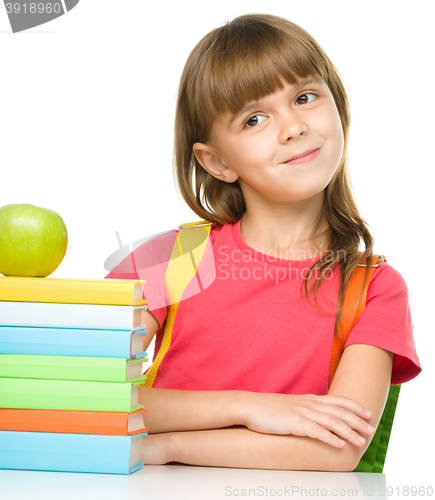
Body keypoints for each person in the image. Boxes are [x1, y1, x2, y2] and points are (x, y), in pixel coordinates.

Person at [105, 13, 421, 471]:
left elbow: (339, 450)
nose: (292, 127)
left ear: (339, 107)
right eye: (254, 119)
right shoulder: (172, 258)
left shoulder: (372, 288)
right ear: (216, 161)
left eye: (305, 97)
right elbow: (82, 393)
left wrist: (165, 446)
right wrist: (248, 407)